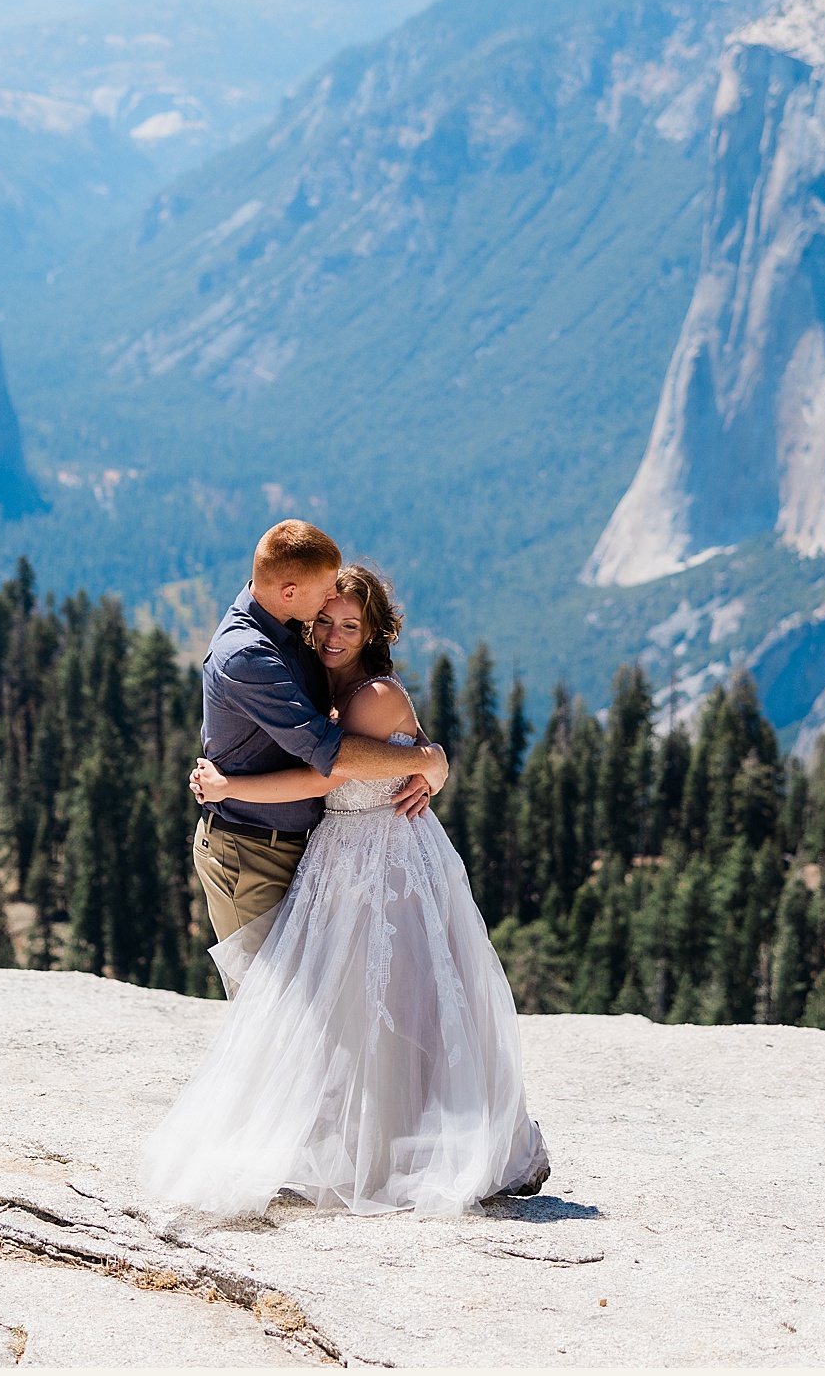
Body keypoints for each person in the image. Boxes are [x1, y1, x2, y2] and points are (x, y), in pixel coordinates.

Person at [141, 560, 550, 1218]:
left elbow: (324, 774)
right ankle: (353, 1142)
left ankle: (410, 1149)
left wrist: (229, 785)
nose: (333, 633)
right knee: (346, 1012)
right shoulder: (319, 686)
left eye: (350, 625)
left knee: (395, 1007)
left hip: (388, 864)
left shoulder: (370, 695)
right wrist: (430, 757)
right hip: (340, 857)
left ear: (372, 632)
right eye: (325, 620)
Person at [187, 521, 447, 950]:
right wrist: (425, 761)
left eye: (349, 624)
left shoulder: (291, 632)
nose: (330, 598)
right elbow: (332, 756)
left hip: (307, 853)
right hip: (250, 853)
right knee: (263, 1000)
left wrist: (425, 751)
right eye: (326, 592)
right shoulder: (248, 655)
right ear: (290, 592)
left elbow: (384, 717)